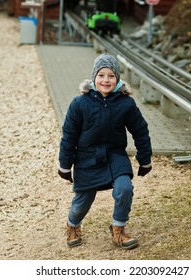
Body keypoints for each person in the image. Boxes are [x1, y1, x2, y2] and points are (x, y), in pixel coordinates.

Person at [58, 53, 152, 250]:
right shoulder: (79, 103)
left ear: (117, 78)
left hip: (115, 156)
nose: (106, 80)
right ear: (94, 77)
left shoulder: (126, 103)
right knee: (83, 200)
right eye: (101, 75)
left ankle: (118, 229)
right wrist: (65, 165)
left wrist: (144, 160)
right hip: (86, 157)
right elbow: (69, 136)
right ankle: (73, 225)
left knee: (124, 188)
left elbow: (140, 131)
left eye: (111, 76)